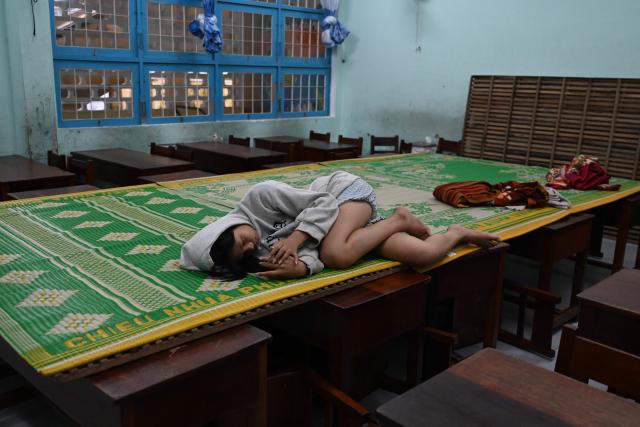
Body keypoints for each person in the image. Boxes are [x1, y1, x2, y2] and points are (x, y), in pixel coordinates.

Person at [180, 171, 499, 279]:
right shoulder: (257, 250)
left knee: (336, 254)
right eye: (244, 254)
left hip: (344, 194)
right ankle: (457, 234)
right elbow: (309, 255)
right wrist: (301, 268)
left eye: (242, 240)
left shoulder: (260, 197)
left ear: (229, 224)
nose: (251, 246)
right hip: (341, 229)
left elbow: (324, 204)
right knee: (423, 255)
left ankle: (399, 218)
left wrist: (295, 240)